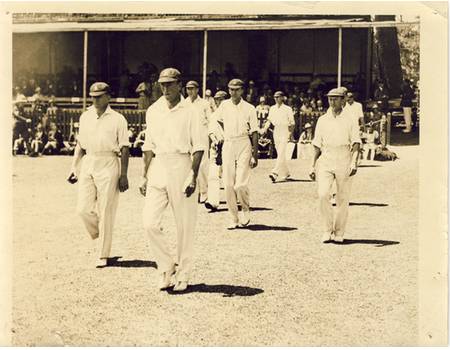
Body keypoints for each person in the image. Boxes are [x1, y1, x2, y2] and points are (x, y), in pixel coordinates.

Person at [138, 68, 208, 292]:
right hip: (159, 165)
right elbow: (148, 146)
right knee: (149, 222)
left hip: (182, 165)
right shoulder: (154, 110)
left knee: (184, 225)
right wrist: (144, 175)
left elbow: (198, 146)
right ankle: (166, 266)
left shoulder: (191, 111)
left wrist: (193, 175)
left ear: (180, 84)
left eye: (170, 84)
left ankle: (184, 274)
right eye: (162, 84)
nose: (165, 88)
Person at [67, 82, 130, 267]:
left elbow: (125, 148)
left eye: (100, 96)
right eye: (93, 96)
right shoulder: (85, 117)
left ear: (108, 97)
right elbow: (80, 144)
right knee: (83, 209)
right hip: (89, 161)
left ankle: (103, 254)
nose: (95, 99)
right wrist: (73, 167)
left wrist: (124, 174)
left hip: (109, 162)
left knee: (106, 210)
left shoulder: (118, 119)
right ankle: (99, 233)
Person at [309, 88, 361, 243]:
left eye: (336, 99)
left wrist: (354, 162)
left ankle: (339, 232)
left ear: (343, 100)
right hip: (326, 158)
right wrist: (312, 166)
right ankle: (327, 229)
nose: (332, 102)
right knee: (323, 194)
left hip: (344, 157)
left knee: (343, 198)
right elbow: (317, 145)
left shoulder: (350, 119)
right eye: (330, 99)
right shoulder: (322, 120)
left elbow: (356, 142)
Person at [212, 78, 259, 229]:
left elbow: (255, 132)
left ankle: (245, 209)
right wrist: (226, 133)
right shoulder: (224, 106)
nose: (233, 92)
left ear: (242, 90)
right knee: (227, 184)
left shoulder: (249, 108)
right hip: (229, 143)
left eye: (236, 89)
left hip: (244, 142)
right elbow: (218, 120)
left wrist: (255, 154)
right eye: (231, 89)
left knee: (240, 184)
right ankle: (233, 218)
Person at [185, 80, 212, 204]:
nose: (190, 91)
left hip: (201, 136)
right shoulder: (184, 103)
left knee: (202, 165)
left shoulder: (204, 104)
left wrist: (211, 137)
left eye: (192, 88)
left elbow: (211, 121)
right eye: (188, 89)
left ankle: (204, 192)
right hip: (187, 137)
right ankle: (192, 190)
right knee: (189, 164)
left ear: (197, 89)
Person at [260, 91, 295, 182]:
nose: (276, 99)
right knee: (280, 153)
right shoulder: (272, 108)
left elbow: (292, 123)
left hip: (285, 130)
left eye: (278, 97)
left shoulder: (288, 109)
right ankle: (286, 173)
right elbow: (269, 121)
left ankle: (274, 173)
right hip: (276, 131)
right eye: (275, 97)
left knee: (282, 151)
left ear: (282, 98)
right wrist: (264, 129)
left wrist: (290, 134)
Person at [205, 90, 227, 212]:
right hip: (216, 147)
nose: (219, 102)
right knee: (213, 174)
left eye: (221, 99)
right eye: (217, 100)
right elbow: (211, 131)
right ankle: (213, 201)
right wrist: (214, 140)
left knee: (229, 176)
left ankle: (234, 197)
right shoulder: (213, 115)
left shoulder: (231, 114)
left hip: (229, 147)